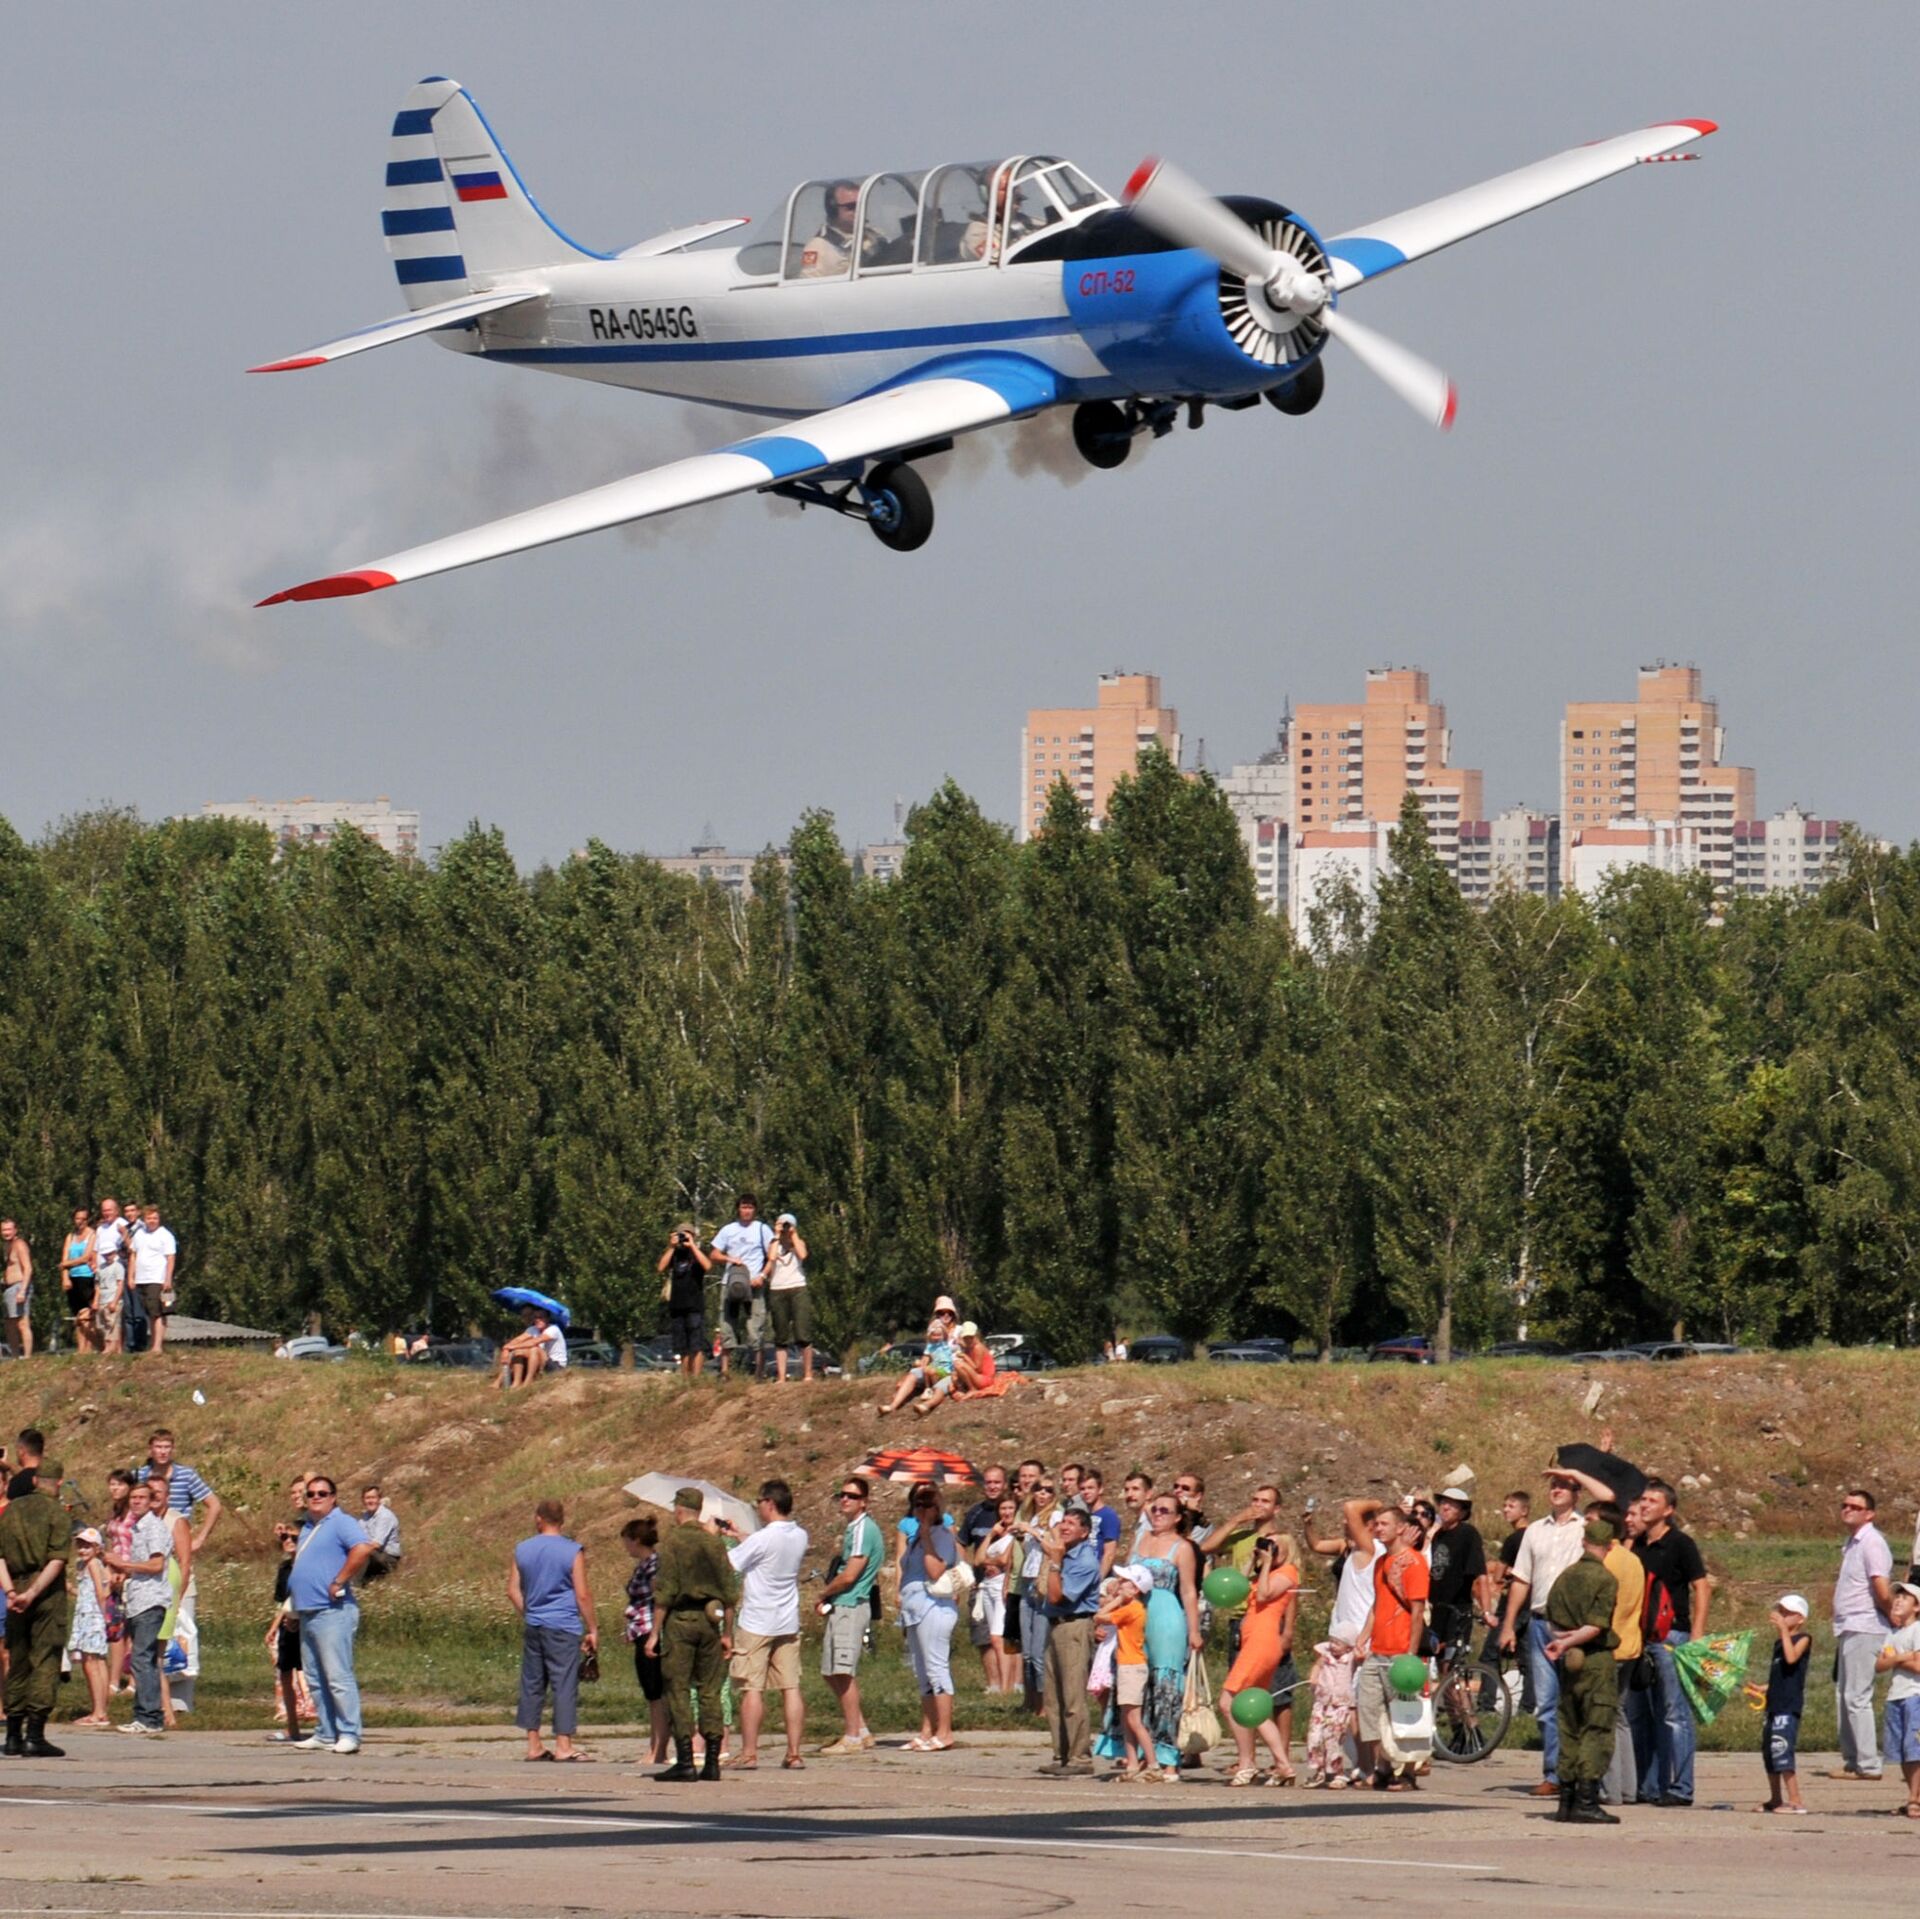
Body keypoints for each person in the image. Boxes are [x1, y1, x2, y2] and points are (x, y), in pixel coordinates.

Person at [1095, 1486, 1200, 1780]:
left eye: (1165, 1510)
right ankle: (1140, 1754)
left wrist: (1194, 1630)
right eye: (1155, 1509)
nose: (1158, 1514)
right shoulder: (1140, 1538)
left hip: (1166, 1615)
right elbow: (1125, 1580)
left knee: (1165, 1684)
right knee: (1135, 1685)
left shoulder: (1182, 1547)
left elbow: (1188, 1591)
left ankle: (1168, 1757)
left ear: (1178, 1517)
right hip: (1135, 1616)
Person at [1499, 1469, 1588, 1798]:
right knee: (1546, 1702)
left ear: (1577, 1492)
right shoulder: (1535, 1531)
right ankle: (1554, 1773)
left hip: (1574, 1625)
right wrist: (1508, 1624)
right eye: (1553, 1485)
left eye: (1564, 1485)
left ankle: (1580, 1772)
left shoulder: (1585, 1528)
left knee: (1576, 1700)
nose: (1557, 1490)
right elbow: (1521, 1579)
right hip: (1540, 1622)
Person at [647, 1486, 737, 1782]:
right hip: (711, 1622)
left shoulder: (672, 1542)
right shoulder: (714, 1543)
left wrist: (654, 1633)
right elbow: (729, 1592)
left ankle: (685, 1759)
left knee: (678, 1688)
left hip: (681, 1620)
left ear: (678, 1510)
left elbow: (665, 1593)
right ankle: (712, 1761)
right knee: (710, 1689)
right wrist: (728, 1633)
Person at [1630, 1477, 1711, 1806]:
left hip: (1671, 1637)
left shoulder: (1680, 1544)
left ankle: (1680, 1787)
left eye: (1652, 1500)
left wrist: (1697, 1633)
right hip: (1640, 1639)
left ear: (1669, 1510)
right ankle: (1649, 1785)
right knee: (1643, 1714)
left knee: (1673, 1713)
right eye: (1643, 1500)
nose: (1645, 1505)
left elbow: (1701, 1587)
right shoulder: (1637, 1545)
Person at [721, 1479, 808, 1768]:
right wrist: (740, 1536)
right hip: (787, 1619)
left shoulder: (762, 1539)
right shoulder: (799, 1535)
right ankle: (794, 1753)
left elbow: (730, 1562)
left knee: (752, 1687)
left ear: (770, 1503)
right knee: (790, 1686)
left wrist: (714, 1537)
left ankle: (749, 1753)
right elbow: (765, 1548)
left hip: (757, 1621)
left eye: (760, 1502)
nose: (758, 1507)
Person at [1542, 1515, 1622, 1824]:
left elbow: (1550, 1618)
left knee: (1569, 1726)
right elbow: (1595, 1626)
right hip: (1596, 1661)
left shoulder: (1565, 1576)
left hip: (1569, 1662)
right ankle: (1586, 1801)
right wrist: (1570, 1641)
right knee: (1596, 1729)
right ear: (1609, 1546)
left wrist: (1561, 1641)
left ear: (1584, 1542)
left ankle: (1566, 1800)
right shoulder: (1605, 1579)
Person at [286, 1475, 373, 1754]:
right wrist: (293, 1610)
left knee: (337, 1675)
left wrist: (340, 1580)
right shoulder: (308, 1527)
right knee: (314, 1677)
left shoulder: (341, 1522)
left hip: (332, 1610)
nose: (316, 1497)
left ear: (333, 1497)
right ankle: (326, 1731)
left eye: (322, 1493)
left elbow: (362, 1548)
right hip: (307, 1610)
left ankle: (349, 1732)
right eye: (311, 1493)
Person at [509, 1498, 597, 1764]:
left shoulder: (522, 1548)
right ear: (562, 1520)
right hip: (563, 1625)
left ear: (539, 1519)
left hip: (535, 1624)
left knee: (533, 1683)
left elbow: (512, 1591)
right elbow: (582, 1594)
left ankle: (534, 1744)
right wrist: (592, 1627)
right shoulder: (572, 1550)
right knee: (564, 1684)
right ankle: (563, 1744)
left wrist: (530, 1612)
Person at [1354, 1502, 1429, 1790]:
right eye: (1376, 1524)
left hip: (1401, 1649)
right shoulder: (1381, 1562)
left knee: (1405, 1712)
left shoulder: (1414, 1563)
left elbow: (1417, 1610)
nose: (1378, 1528)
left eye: (1384, 1523)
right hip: (1378, 1649)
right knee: (1369, 1709)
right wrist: (1363, 1636)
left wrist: (1411, 1653)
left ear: (1400, 1528)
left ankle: (1408, 1771)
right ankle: (1383, 1766)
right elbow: (1377, 1603)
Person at [1221, 1529, 1301, 1786]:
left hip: (1263, 1641)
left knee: (1229, 1701)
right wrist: (1252, 1562)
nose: (1270, 1550)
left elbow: (1265, 1595)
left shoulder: (1288, 1573)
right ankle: (1283, 1765)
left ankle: (1246, 1762)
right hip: (1252, 1640)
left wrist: (1266, 1565)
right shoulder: (1263, 1574)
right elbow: (1235, 1592)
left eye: (1274, 1546)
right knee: (1255, 1709)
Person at [0, 1458, 70, 1755]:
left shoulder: (11, 1511)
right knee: (45, 1659)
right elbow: (57, 1560)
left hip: (14, 1587)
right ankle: (35, 1735)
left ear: (33, 1480)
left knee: (18, 1659)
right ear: (58, 1483)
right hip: (45, 1592)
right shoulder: (58, 1513)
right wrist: (33, 1593)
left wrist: (11, 1592)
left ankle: (13, 1735)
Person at [1828, 1486, 1895, 1784]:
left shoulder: (1872, 1543)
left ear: (1870, 1514)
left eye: (1855, 1507)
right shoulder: (1851, 1543)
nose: (1848, 1510)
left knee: (1857, 1696)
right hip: (1848, 1625)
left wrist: (1892, 1614)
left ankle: (1868, 1763)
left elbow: (1880, 1586)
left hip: (1865, 1625)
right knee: (1843, 1695)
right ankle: (1852, 1760)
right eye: (1845, 1505)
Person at [102, 1479, 175, 1737]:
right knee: (144, 1659)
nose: (136, 1502)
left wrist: (124, 1564)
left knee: (142, 1658)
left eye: (142, 1498)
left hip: (150, 1600)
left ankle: (148, 1716)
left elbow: (156, 1565)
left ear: (152, 1501)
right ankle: (148, 1715)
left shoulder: (153, 1527)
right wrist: (125, 1573)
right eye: (133, 1498)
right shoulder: (138, 1528)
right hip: (137, 1599)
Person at [816, 1476, 882, 1753]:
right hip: (844, 1603)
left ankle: (852, 1736)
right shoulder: (854, 1528)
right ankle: (861, 1729)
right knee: (830, 1671)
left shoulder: (863, 1529)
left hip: (851, 1604)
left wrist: (824, 1593)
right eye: (842, 1494)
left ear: (864, 1502)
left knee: (843, 1671)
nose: (845, 1499)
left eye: (852, 1496)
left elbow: (850, 1575)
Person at [1036, 1500, 1101, 1775]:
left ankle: (1080, 1757)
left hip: (1074, 1626)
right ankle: (1061, 1753)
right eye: (1063, 1521)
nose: (1064, 1527)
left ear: (1084, 1532)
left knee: (1073, 1695)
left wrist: (1054, 1562)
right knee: (1053, 1696)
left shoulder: (1084, 1561)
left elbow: (1055, 1596)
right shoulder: (1064, 1553)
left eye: (1072, 1524)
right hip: (1055, 1625)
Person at [896, 1482, 961, 1753]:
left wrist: (925, 1534)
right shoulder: (915, 1536)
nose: (922, 1509)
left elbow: (935, 1570)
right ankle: (928, 1729)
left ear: (938, 1508)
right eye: (918, 1504)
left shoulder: (941, 1535)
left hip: (933, 1607)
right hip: (914, 1607)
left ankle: (945, 1731)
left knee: (936, 1668)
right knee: (921, 1671)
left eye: (928, 1504)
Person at [1594, 1500, 1644, 1809]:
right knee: (1620, 1717)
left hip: (1609, 1648)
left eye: (1590, 1520)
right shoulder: (1632, 1559)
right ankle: (1628, 1787)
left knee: (1604, 1719)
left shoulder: (1606, 1562)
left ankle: (1610, 1789)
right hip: (1630, 1645)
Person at [618, 1516, 669, 1764]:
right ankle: (655, 1747)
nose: (626, 1547)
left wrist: (654, 1633)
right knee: (652, 1693)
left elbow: (658, 1600)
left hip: (650, 1631)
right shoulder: (644, 1565)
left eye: (627, 1541)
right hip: (641, 1629)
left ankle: (658, 1749)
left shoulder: (653, 1566)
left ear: (636, 1540)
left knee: (656, 1693)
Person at [1755, 1592, 1812, 1813]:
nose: (1782, 1616)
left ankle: (1796, 1800)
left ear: (1800, 1618)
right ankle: (1776, 1798)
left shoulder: (1803, 1638)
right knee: (1769, 1754)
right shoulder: (1779, 1643)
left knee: (1782, 1750)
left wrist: (1783, 1631)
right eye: (1780, 1612)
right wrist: (1764, 1688)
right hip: (1774, 1705)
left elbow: (1791, 1658)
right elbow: (1781, 1675)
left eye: (1787, 1613)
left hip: (1788, 1707)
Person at [1096, 1564, 1153, 1777]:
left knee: (1134, 1720)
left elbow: (1100, 1615)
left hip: (1132, 1667)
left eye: (1124, 1582)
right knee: (1127, 1719)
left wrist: (1118, 1599)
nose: (1119, 1584)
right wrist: (1121, 1597)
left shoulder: (1132, 1609)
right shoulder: (1131, 1608)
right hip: (1126, 1666)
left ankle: (1152, 1763)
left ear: (1135, 1589)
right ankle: (1132, 1763)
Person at [710, 1194, 773, 1379]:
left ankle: (759, 1372)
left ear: (755, 1210)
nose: (747, 1211)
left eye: (750, 1207)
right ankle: (725, 1371)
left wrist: (762, 1276)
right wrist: (730, 1259)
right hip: (732, 1283)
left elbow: (772, 1256)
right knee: (727, 1326)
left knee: (755, 1327)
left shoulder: (762, 1229)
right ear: (738, 1209)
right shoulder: (728, 1230)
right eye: (744, 1207)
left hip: (754, 1284)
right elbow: (714, 1254)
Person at [1425, 1482, 1490, 1654]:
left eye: (1452, 1505)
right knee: (1433, 1655)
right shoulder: (1437, 1535)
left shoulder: (1468, 1534)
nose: (1445, 1507)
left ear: (1462, 1512)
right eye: (1443, 1503)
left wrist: (1487, 1611)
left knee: (1451, 1657)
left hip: (1457, 1608)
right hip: (1436, 1607)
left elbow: (1480, 1573)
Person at [1874, 1580, 1920, 1818]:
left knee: (1915, 1749)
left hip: (1914, 1695)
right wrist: (1901, 1657)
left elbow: (1919, 1666)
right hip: (1896, 1695)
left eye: (1905, 1597)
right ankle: (1913, 1796)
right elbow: (1880, 1665)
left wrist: (1896, 1659)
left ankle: (1915, 1799)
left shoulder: (1917, 1630)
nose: (1898, 1600)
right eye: (1897, 1597)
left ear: (1917, 1607)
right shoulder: (1892, 1633)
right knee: (1902, 1750)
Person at [959, 1466, 1009, 1679]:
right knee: (983, 1635)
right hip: (980, 1582)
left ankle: (1011, 1684)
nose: (993, 1486)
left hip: (1005, 1581)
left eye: (997, 1482)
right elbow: (961, 1542)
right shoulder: (975, 1513)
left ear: (1004, 1484)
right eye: (989, 1482)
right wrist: (965, 1571)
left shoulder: (1012, 1509)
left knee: (1006, 1635)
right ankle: (994, 1684)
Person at [264, 1521, 310, 1741]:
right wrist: (274, 1626)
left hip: (306, 1624)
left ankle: (328, 1724)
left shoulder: (308, 1565)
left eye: (294, 1538)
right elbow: (284, 1601)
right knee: (285, 1672)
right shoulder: (285, 1568)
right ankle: (293, 1727)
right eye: (285, 1537)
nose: (288, 1541)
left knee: (311, 1674)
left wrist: (300, 1619)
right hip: (288, 1624)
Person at [878, 1299, 960, 1415]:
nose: (946, 1316)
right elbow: (928, 1353)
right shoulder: (934, 1331)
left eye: (949, 1313)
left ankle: (926, 1406)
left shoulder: (959, 1331)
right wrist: (922, 1364)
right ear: (937, 1315)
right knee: (913, 1374)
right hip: (934, 1367)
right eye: (942, 1313)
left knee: (940, 1387)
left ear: (953, 1314)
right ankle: (892, 1406)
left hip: (950, 1369)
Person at [974, 1494, 1022, 1694]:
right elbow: (977, 1559)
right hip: (988, 1586)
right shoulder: (997, 1535)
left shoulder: (1016, 1534)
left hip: (1003, 1585)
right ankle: (1004, 1684)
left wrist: (990, 1562)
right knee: (996, 1637)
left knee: (999, 1637)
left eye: (1010, 1508)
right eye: (1003, 1508)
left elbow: (1004, 1560)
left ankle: (1007, 1686)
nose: (1006, 1512)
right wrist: (990, 1535)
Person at [67, 1527, 112, 1726]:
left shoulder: (93, 1564)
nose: (82, 1550)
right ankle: (101, 1711)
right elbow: (88, 1593)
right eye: (80, 1545)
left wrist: (104, 1616)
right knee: (98, 1662)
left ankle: (98, 1712)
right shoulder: (86, 1565)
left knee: (91, 1663)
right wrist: (71, 1589)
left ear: (97, 1548)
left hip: (93, 1618)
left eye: (87, 1546)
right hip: (88, 1614)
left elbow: (101, 1593)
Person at [761, 1214, 813, 1383]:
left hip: (798, 1287)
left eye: (787, 1224)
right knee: (781, 1334)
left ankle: (808, 1374)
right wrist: (777, 1235)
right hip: (777, 1288)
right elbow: (771, 1258)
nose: (784, 1227)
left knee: (803, 1333)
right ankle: (781, 1377)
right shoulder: (773, 1244)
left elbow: (803, 1255)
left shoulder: (798, 1242)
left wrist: (793, 1234)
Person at [1303, 1635, 1359, 1787]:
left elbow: (1361, 1653)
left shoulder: (1350, 1659)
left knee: (1333, 1738)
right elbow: (1317, 1663)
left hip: (1340, 1705)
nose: (1333, 1645)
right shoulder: (1325, 1656)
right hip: (1322, 1703)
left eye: (1338, 1643)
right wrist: (1314, 1677)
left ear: (1348, 1647)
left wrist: (1354, 1644)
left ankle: (1337, 1773)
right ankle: (1319, 1770)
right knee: (1314, 1737)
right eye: (1332, 1642)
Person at [657, 1226, 711, 1379]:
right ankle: (685, 1379)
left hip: (694, 1306)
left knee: (696, 1345)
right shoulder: (674, 1254)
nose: (683, 1238)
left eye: (686, 1235)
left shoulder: (696, 1253)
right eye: (680, 1234)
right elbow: (660, 1268)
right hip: (677, 1306)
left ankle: (696, 1378)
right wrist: (671, 1247)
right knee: (683, 1347)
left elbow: (708, 1266)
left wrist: (692, 1245)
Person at [128, 1204, 177, 1354]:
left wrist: (168, 1279)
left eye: (155, 1218)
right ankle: (153, 1345)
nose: (152, 1221)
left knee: (158, 1312)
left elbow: (170, 1258)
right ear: (144, 1219)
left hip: (157, 1279)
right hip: (141, 1279)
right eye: (149, 1218)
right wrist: (131, 1276)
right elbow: (133, 1255)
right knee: (149, 1313)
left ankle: (157, 1346)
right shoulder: (139, 1234)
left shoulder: (165, 1235)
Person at [91, 1199, 129, 1354]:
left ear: (116, 1210)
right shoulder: (101, 1229)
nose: (106, 1213)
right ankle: (111, 1347)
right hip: (102, 1273)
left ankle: (117, 1347)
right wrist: (94, 1264)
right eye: (104, 1210)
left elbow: (128, 1246)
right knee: (104, 1316)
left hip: (116, 1272)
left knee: (115, 1314)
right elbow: (95, 1250)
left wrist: (124, 1234)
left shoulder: (122, 1224)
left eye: (109, 1210)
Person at [60, 1210, 98, 1353]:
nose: (80, 1221)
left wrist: (67, 1264)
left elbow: (86, 1257)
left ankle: (90, 1346)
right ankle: (81, 1348)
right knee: (77, 1314)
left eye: (83, 1219)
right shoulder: (70, 1237)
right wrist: (65, 1277)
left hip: (86, 1276)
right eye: (77, 1218)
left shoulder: (92, 1235)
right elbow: (64, 1258)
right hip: (72, 1278)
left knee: (86, 1314)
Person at [1080, 1469, 1123, 1578]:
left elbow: (1109, 1553)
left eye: (1090, 1488)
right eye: (1082, 1489)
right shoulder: (1084, 1516)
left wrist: (1099, 1580)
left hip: (1098, 1575)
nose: (1086, 1492)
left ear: (1100, 1489)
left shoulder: (1108, 1515)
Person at [1, 1220, 33, 1358]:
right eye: (4, 1230)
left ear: (15, 1230)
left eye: (9, 1229)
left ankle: (27, 1356)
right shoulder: (7, 1246)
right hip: (9, 1288)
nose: (6, 1233)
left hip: (19, 1286)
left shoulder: (20, 1244)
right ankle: (15, 1356)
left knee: (22, 1323)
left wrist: (22, 1291)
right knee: (10, 1324)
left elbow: (28, 1268)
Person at [360, 1486, 401, 1579]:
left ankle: (354, 1585)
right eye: (367, 1498)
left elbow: (377, 1544)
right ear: (363, 1500)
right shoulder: (364, 1517)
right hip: (374, 1555)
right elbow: (358, 1538)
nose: (370, 1501)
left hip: (388, 1557)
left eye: (373, 1498)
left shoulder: (385, 1516)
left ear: (379, 1499)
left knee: (361, 1554)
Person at [1122, 1473, 1155, 1556]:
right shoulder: (1139, 1521)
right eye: (1126, 1490)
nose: (1129, 1494)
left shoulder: (1152, 1514)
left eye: (1135, 1489)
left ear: (1148, 1494)